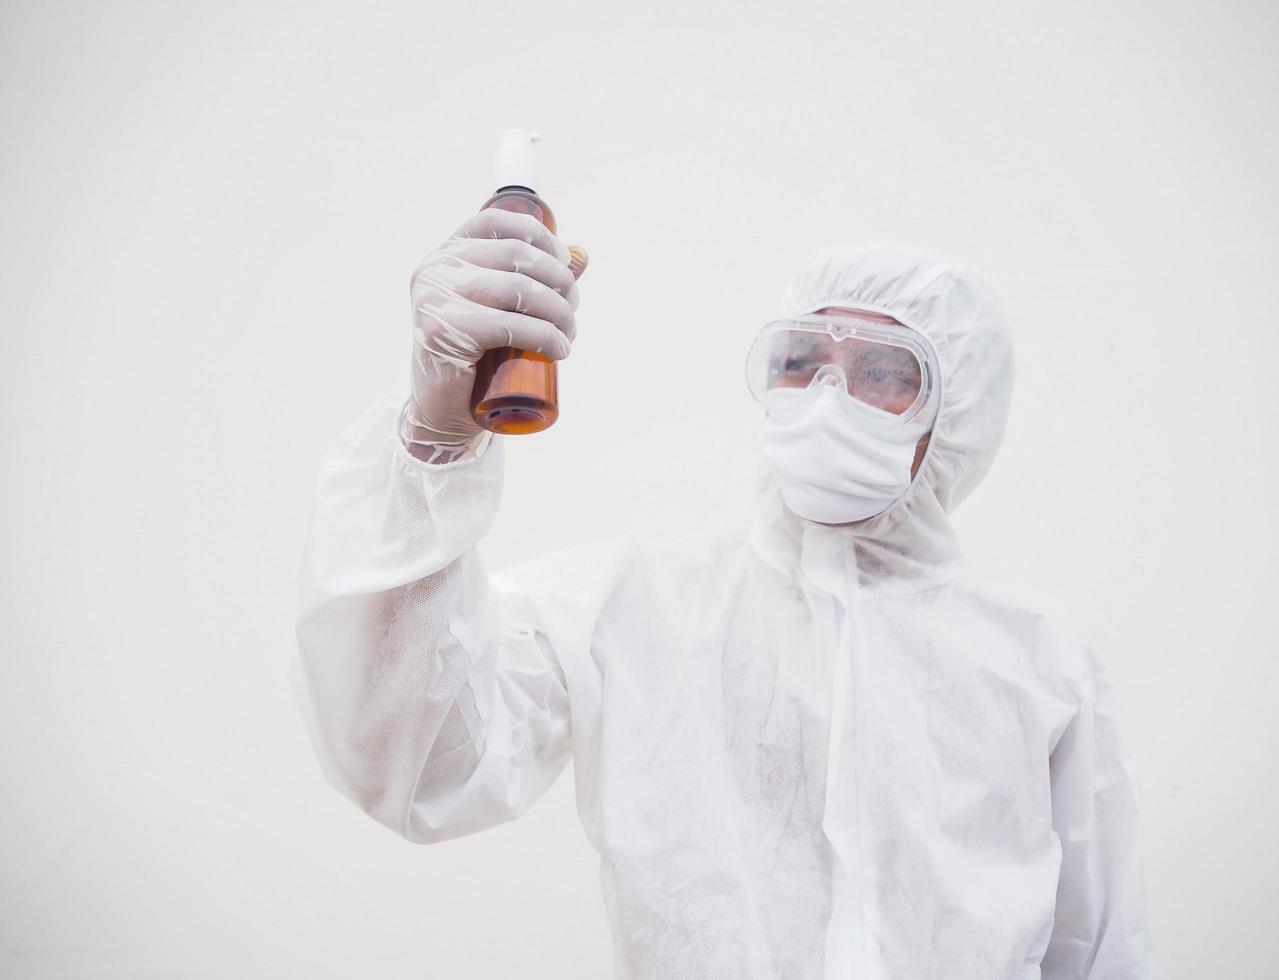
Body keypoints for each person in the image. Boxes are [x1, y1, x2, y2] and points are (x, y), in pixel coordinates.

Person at [291, 208, 1166, 978]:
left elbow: (1101, 951)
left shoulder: (1035, 658)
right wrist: (434, 440)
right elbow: (415, 761)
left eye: (885, 372)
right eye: (800, 360)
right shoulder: (632, 607)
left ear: (958, 414)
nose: (828, 397)